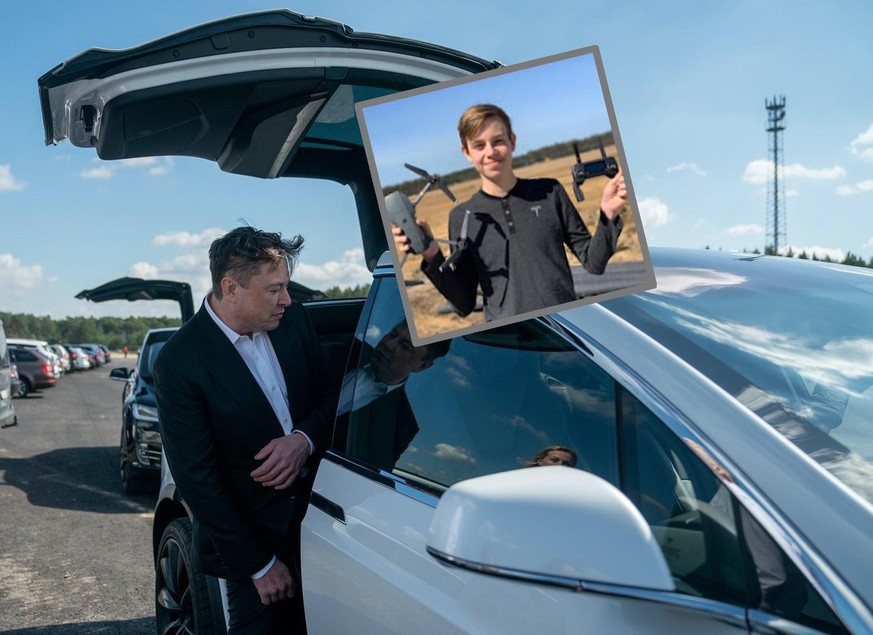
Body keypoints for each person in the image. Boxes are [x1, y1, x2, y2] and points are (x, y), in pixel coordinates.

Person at [153, 226, 339, 634]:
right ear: (230, 287)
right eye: (275, 290)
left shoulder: (293, 320)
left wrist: (303, 440)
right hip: (256, 547)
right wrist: (260, 566)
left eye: (287, 287)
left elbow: (334, 394)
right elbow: (197, 480)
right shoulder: (179, 362)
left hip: (331, 520)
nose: (287, 300)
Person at [393, 103, 627, 322]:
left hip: (565, 326)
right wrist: (432, 255)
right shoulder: (462, 217)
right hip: (510, 337)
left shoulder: (550, 191)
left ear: (512, 141)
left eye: (498, 141)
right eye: (479, 145)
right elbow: (463, 304)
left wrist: (608, 215)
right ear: (466, 152)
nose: (490, 151)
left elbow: (593, 263)